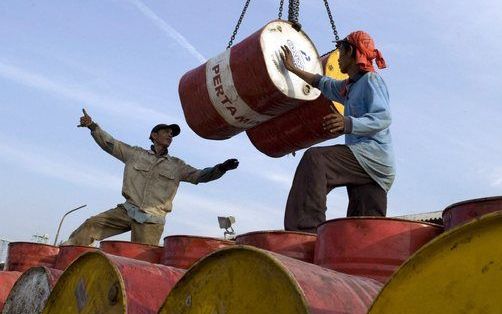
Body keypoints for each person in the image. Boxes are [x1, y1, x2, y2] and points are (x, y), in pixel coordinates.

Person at [65, 108, 239, 245]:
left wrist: (221, 168)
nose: (170, 135)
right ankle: (63, 255)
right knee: (90, 225)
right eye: (166, 131)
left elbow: (200, 175)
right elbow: (110, 144)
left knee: (140, 260)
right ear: (154, 135)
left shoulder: (176, 165)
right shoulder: (135, 154)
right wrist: (92, 126)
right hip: (127, 210)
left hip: (152, 220)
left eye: (172, 134)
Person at [280, 31, 395, 233]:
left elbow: (383, 117)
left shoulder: (370, 81)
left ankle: (305, 230)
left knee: (316, 160)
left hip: (370, 156)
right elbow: (323, 83)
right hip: (376, 171)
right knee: (362, 231)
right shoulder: (349, 87)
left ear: (351, 52)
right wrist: (292, 68)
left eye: (341, 53)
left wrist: (347, 123)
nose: (338, 58)